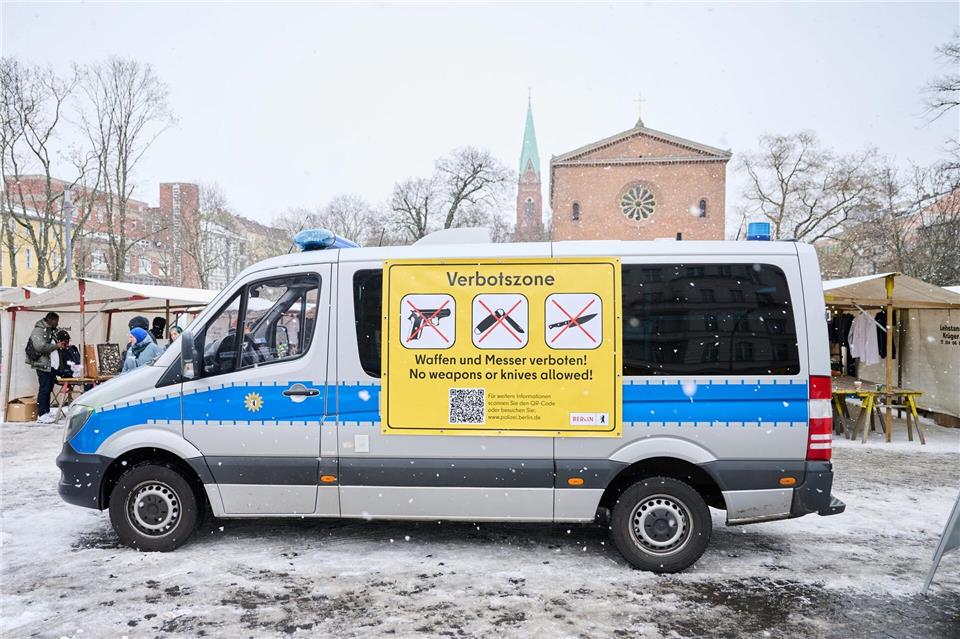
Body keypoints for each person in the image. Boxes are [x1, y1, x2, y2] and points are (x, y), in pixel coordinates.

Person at [26, 312, 67, 423]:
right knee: (44, 389)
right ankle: (42, 414)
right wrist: (56, 346)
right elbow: (40, 347)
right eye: (56, 321)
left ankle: (46, 411)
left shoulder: (50, 330)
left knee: (48, 389)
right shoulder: (39, 330)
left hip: (50, 366)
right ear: (50, 320)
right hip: (43, 365)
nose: (57, 323)